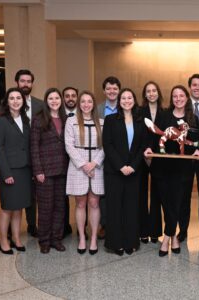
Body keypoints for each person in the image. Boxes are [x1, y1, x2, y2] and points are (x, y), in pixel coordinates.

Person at [144, 85, 199, 257]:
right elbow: (154, 139)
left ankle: (168, 238)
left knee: (176, 204)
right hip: (162, 169)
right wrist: (148, 149)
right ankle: (172, 236)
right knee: (166, 204)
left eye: (181, 95)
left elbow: (196, 141)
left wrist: (198, 151)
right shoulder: (163, 115)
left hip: (182, 170)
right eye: (175, 96)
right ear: (172, 99)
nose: (178, 99)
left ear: (186, 97)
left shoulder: (193, 119)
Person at [103, 88, 147, 255]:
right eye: (123, 98)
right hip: (114, 171)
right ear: (119, 101)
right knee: (115, 207)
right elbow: (108, 145)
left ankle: (130, 242)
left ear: (134, 100)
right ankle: (116, 243)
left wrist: (133, 166)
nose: (126, 101)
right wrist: (121, 166)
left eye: (130, 98)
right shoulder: (110, 119)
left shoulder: (140, 121)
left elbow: (143, 146)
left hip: (134, 171)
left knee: (131, 207)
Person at [0, 87, 32, 254]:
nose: (16, 101)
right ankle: (3, 240)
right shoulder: (0, 121)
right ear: (7, 102)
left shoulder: (25, 119)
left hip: (24, 170)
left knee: (19, 207)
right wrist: (6, 173)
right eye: (12, 98)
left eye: (19, 98)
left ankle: (16, 238)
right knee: (7, 207)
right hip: (9, 171)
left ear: (23, 101)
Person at [65, 91, 104, 255]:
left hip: (97, 167)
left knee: (94, 203)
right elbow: (69, 145)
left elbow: (105, 146)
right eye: (83, 101)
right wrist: (83, 165)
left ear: (93, 104)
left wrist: (94, 163)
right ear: (79, 104)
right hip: (77, 168)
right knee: (80, 203)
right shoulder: (71, 121)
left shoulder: (102, 123)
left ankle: (94, 238)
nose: (86, 104)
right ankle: (82, 237)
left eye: (89, 101)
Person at [31, 88, 68, 254]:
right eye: (51, 98)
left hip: (63, 170)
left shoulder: (66, 119)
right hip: (44, 172)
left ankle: (56, 239)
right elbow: (34, 147)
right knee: (46, 208)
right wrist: (38, 170)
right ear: (46, 101)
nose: (54, 101)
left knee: (60, 207)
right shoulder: (39, 119)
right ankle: (44, 240)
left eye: (57, 98)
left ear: (61, 100)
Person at [178, 74, 199, 244]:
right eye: (194, 85)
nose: (197, 87)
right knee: (183, 196)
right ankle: (182, 230)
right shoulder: (182, 105)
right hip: (185, 159)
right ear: (189, 87)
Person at [14, 69, 44, 237]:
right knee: (20, 192)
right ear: (17, 82)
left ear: (32, 84)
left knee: (36, 192)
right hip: (18, 157)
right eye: (22, 81)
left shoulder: (40, 104)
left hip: (38, 155)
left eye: (28, 81)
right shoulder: (8, 103)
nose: (25, 84)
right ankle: (15, 227)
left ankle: (33, 225)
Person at [97, 76, 121, 239]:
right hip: (101, 156)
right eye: (109, 88)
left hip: (120, 158)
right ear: (104, 91)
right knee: (103, 193)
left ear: (119, 90)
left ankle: (120, 223)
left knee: (120, 191)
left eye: (115, 88)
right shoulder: (96, 109)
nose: (112, 91)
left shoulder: (126, 107)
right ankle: (105, 225)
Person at [139, 81, 164, 244]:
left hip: (159, 157)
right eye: (148, 91)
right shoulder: (139, 112)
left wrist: (155, 152)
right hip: (142, 156)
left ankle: (155, 232)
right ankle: (142, 231)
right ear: (145, 94)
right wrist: (145, 150)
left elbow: (165, 135)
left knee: (157, 195)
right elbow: (138, 134)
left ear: (158, 93)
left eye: (154, 90)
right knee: (141, 194)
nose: (152, 93)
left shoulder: (165, 112)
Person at [62, 86, 79, 237]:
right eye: (67, 96)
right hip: (61, 160)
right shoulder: (57, 114)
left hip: (79, 162)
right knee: (63, 196)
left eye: (73, 95)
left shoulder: (84, 114)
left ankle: (82, 228)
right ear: (63, 99)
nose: (70, 98)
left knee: (82, 195)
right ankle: (64, 226)